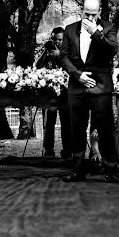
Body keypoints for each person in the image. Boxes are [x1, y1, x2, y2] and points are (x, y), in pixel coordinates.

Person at [59, 0, 119, 183]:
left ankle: (110, 169)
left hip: (100, 87)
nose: (91, 18)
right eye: (87, 14)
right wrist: (77, 75)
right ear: (81, 11)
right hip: (77, 87)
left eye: (94, 14)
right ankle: (77, 169)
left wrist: (96, 33)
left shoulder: (109, 28)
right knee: (75, 128)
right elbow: (63, 57)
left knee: (105, 129)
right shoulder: (70, 30)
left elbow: (112, 50)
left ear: (99, 12)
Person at [36, 26, 70, 158]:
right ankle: (48, 150)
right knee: (48, 122)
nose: (58, 42)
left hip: (65, 93)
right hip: (49, 94)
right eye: (55, 39)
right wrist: (46, 52)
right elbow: (37, 66)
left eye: (60, 40)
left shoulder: (68, 51)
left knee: (66, 122)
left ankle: (67, 150)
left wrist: (59, 55)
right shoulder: (48, 52)